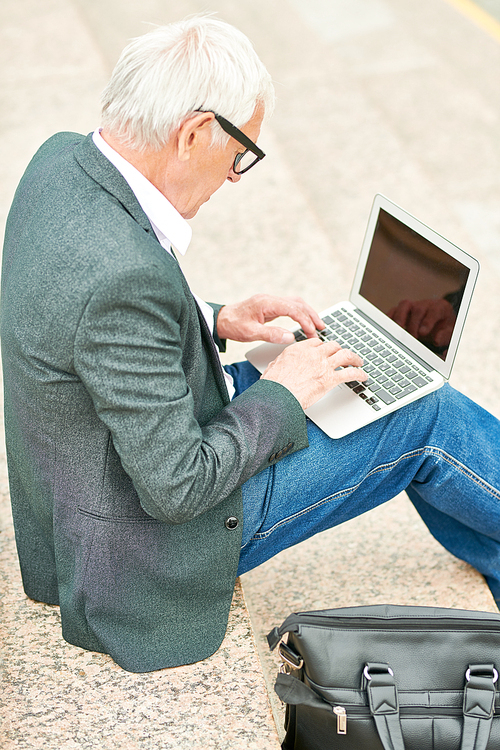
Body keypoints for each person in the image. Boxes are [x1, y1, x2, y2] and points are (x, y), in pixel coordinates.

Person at [2, 16, 500, 674]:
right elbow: (179, 487)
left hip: (97, 477)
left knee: (357, 385)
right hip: (150, 548)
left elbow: (90, 321)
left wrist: (217, 318)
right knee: (422, 414)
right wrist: (284, 390)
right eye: (241, 154)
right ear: (194, 133)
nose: (237, 176)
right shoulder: (121, 277)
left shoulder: (62, 159)